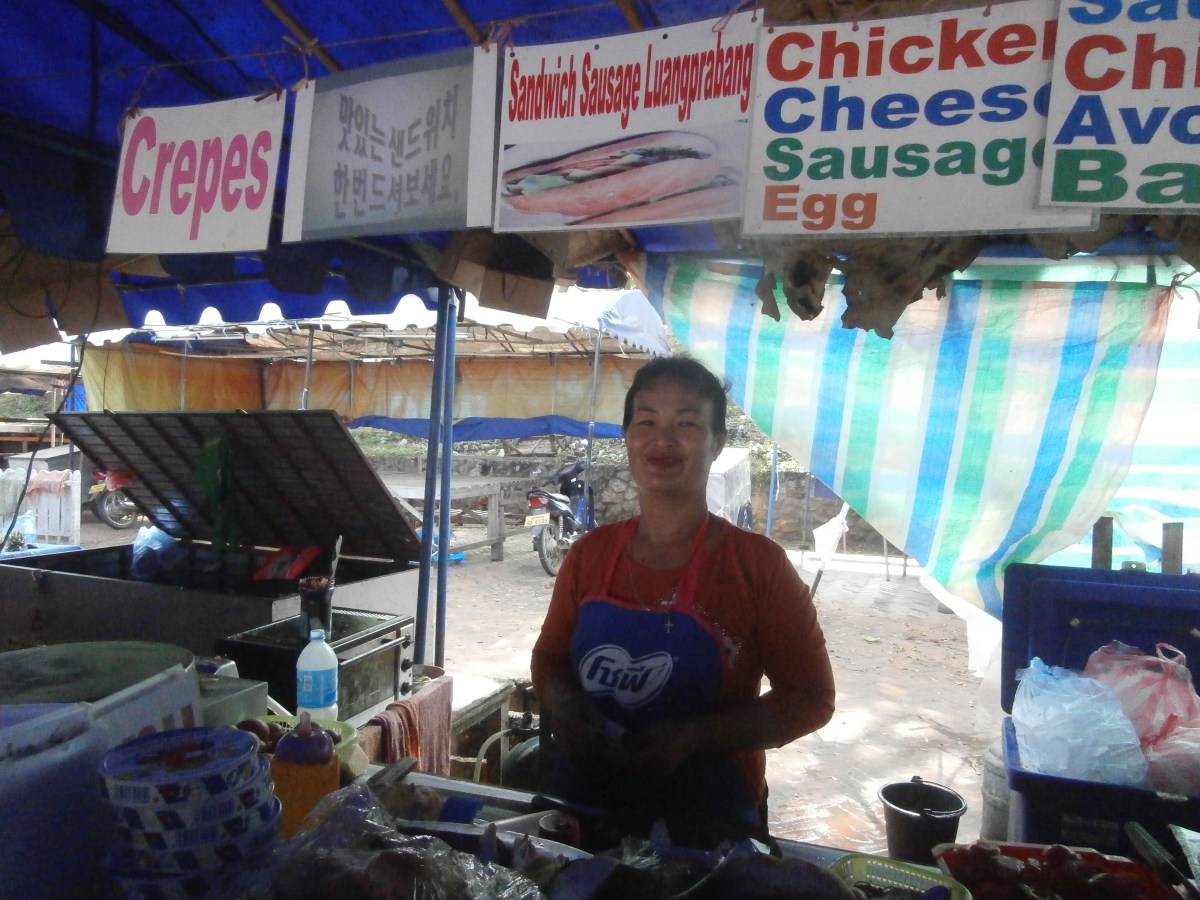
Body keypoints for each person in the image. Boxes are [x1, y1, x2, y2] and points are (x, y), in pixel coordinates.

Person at [530, 355, 836, 849]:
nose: (663, 439)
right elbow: (549, 659)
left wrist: (695, 736)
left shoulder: (759, 566)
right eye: (646, 420)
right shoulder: (590, 555)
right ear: (627, 436)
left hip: (709, 825)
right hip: (586, 808)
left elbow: (810, 700)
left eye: (687, 423)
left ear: (717, 443)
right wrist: (566, 707)